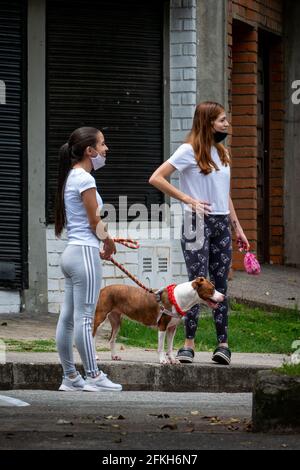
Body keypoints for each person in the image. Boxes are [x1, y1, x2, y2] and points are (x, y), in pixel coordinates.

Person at [149, 101, 250, 365]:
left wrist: (237, 227)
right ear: (207, 123)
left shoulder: (222, 153)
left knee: (221, 284)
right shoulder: (188, 151)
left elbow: (223, 194)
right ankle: (188, 344)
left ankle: (223, 345)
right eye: (222, 121)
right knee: (196, 284)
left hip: (220, 224)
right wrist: (188, 199)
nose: (226, 125)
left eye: (226, 120)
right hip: (196, 223)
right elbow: (156, 177)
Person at [54, 126, 122, 391]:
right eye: (102, 145)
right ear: (89, 151)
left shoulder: (71, 176)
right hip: (84, 253)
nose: (106, 150)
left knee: (68, 318)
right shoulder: (85, 179)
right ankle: (93, 375)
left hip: (72, 253)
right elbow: (95, 221)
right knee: (84, 318)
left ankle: (70, 377)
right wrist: (109, 241)